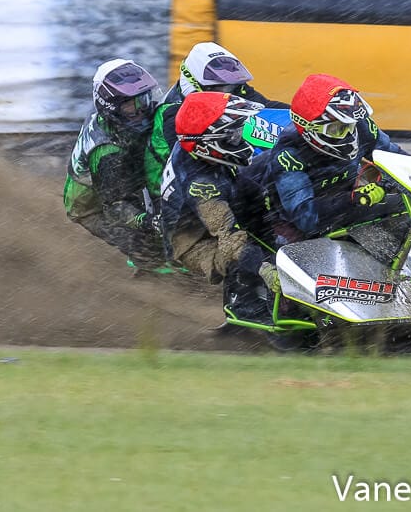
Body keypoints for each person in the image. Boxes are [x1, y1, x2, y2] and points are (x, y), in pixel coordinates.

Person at [243, 73, 406, 245]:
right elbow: (306, 218)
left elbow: (400, 162)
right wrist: (353, 199)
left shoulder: (361, 127)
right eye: (337, 129)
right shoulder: (289, 155)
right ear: (312, 130)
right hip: (278, 221)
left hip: (337, 203)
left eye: (350, 125)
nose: (350, 135)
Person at [159, 91, 275, 324]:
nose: (240, 138)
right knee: (244, 251)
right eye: (232, 135)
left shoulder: (201, 150)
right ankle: (244, 310)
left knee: (277, 216)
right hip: (194, 241)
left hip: (227, 195)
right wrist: (266, 270)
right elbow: (228, 237)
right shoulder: (202, 186)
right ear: (209, 144)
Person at [146, 41, 286, 200]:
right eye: (222, 88)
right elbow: (195, 161)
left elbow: (265, 107)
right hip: (178, 192)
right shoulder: (173, 114)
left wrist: (300, 113)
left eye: (232, 87)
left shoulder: (232, 87)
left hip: (216, 174)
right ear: (195, 84)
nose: (229, 93)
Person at [63, 58, 165, 270]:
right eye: (130, 106)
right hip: (93, 207)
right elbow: (115, 207)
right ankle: (155, 285)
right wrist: (149, 221)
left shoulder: (119, 123)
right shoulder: (108, 153)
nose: (141, 110)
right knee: (148, 248)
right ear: (111, 109)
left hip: (118, 175)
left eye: (144, 100)